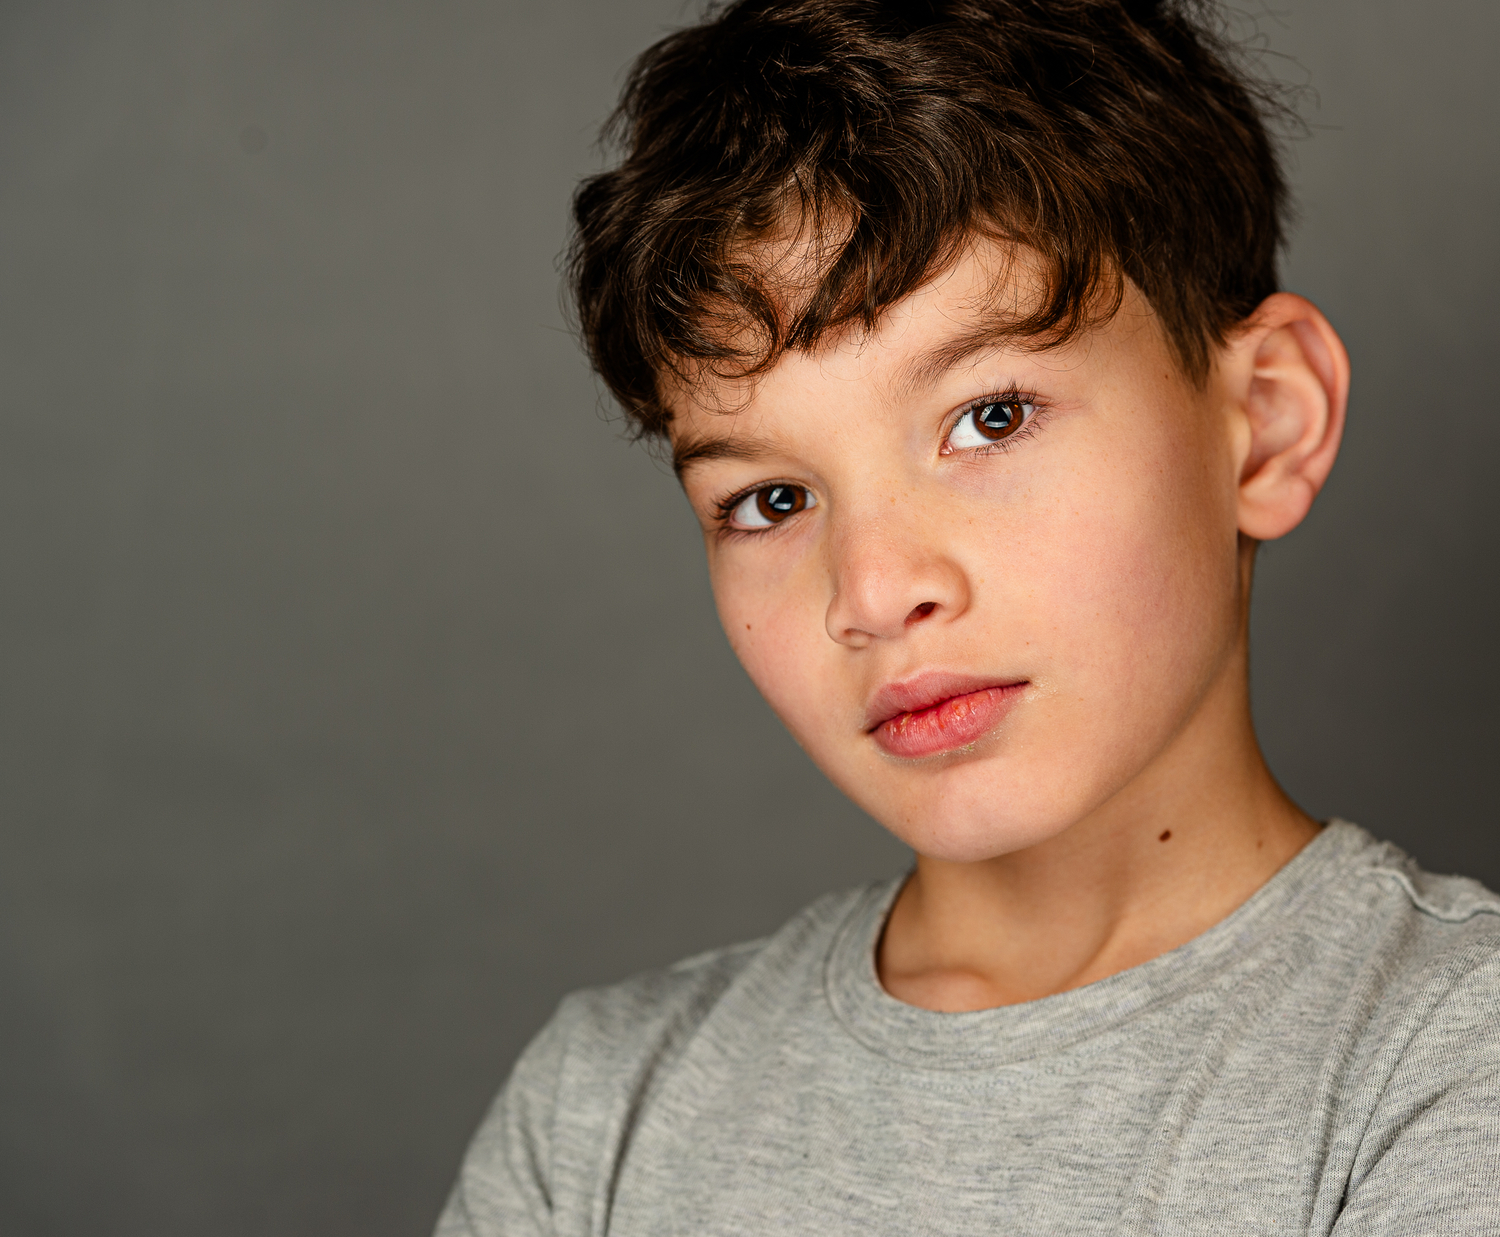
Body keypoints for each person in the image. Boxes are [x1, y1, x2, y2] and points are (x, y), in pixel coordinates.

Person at [437, 1, 1500, 1232]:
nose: (873, 590)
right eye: (772, 499)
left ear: (1264, 421)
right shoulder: (598, 1114)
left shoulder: (1446, 1065)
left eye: (991, 418)